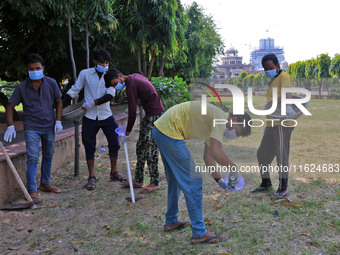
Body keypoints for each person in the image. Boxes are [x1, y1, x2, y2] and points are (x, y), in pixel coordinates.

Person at [152, 101, 251, 243]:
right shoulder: (220, 119)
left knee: (175, 180)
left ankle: (171, 221)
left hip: (162, 130)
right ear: (234, 119)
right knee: (194, 179)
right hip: (168, 132)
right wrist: (234, 169)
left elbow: (209, 156)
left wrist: (220, 181)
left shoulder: (215, 121)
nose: (233, 134)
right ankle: (199, 232)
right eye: (237, 130)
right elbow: (217, 152)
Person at [4, 53, 63, 204]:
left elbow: (59, 102)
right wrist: (10, 125)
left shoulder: (51, 83)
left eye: (37, 68)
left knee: (49, 155)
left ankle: (45, 183)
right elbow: (10, 106)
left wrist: (58, 120)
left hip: (49, 125)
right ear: (27, 70)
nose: (35, 70)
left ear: (43, 68)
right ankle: (32, 190)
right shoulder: (21, 87)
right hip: (32, 127)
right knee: (33, 157)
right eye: (31, 68)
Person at [63, 50, 126, 190]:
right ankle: (91, 176)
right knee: (89, 145)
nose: (104, 65)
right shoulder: (85, 74)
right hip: (89, 116)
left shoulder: (110, 74)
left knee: (114, 142)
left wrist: (94, 102)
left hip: (106, 114)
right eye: (101, 62)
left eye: (107, 63)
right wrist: (60, 106)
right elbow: (74, 90)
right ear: (94, 62)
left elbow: (110, 95)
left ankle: (113, 172)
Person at [104, 68, 164, 192]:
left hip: (154, 116)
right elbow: (149, 91)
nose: (116, 87)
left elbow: (132, 113)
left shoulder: (130, 84)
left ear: (120, 76)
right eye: (114, 86)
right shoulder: (134, 76)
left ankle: (155, 182)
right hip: (151, 115)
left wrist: (127, 133)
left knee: (150, 148)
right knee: (141, 147)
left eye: (115, 84)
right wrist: (141, 103)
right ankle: (138, 179)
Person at [250, 53, 295, 200]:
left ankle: (283, 188)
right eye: (265, 68)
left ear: (277, 65)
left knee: (281, 155)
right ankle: (266, 182)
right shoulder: (273, 80)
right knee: (262, 153)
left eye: (270, 67)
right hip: (271, 123)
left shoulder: (284, 77)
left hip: (282, 123)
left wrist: (282, 108)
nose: (267, 70)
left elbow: (287, 95)